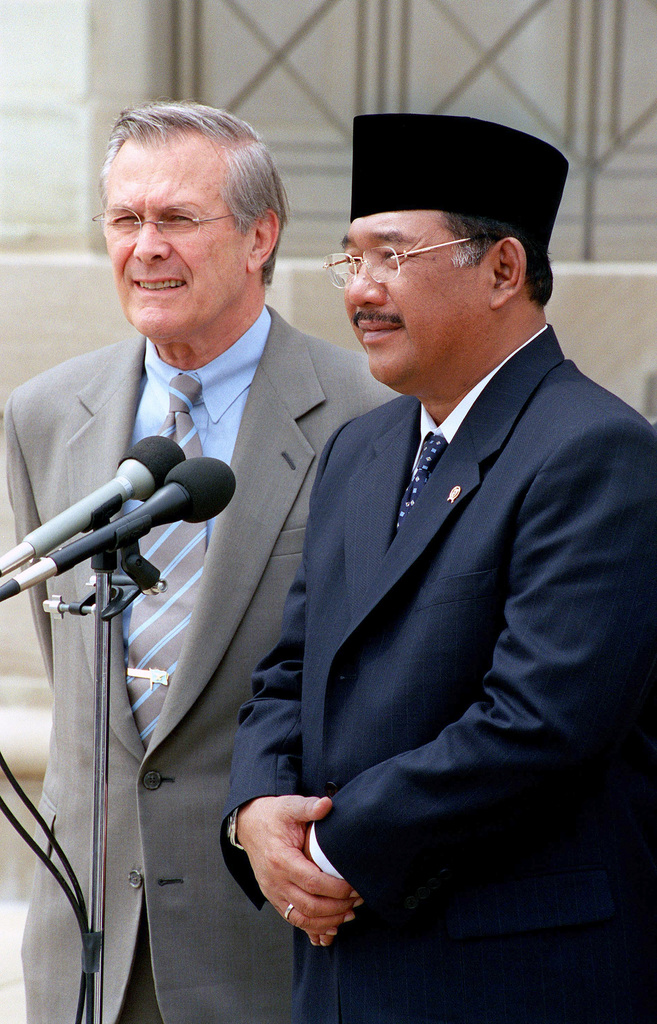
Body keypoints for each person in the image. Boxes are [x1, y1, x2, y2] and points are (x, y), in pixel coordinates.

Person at [222, 113, 657, 1024]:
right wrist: (257, 812)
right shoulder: (361, 449)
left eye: (390, 256)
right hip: (344, 967)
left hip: (506, 973)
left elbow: (540, 727)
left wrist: (330, 851)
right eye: (350, 261)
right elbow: (291, 669)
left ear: (502, 269)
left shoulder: (597, 451)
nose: (360, 291)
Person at [5, 101, 390, 1024]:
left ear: (261, 237)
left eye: (176, 218)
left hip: (277, 935)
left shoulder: (368, 414)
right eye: (125, 220)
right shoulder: (46, 413)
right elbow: (77, 671)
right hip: (89, 937)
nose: (145, 248)